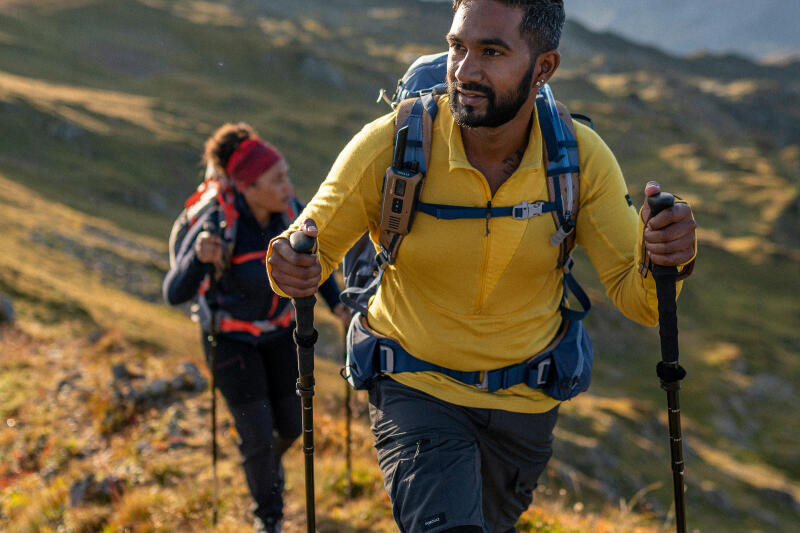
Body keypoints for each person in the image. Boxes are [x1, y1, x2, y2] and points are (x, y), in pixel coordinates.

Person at [267, 1, 697, 531]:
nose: (465, 70)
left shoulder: (580, 160)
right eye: (457, 47)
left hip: (525, 409)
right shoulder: (390, 145)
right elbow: (308, 249)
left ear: (543, 68)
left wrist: (667, 257)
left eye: (492, 52)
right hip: (414, 387)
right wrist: (291, 262)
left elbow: (644, 303)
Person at [163, 122, 349, 533]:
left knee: (289, 427)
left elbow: (311, 260)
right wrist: (198, 257)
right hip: (230, 342)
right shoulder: (216, 223)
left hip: (281, 334)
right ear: (248, 187)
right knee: (260, 439)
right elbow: (174, 292)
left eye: (286, 175)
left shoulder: (290, 212)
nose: (288, 186)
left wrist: (338, 307)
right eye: (277, 179)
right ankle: (270, 519)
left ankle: (259, 458)